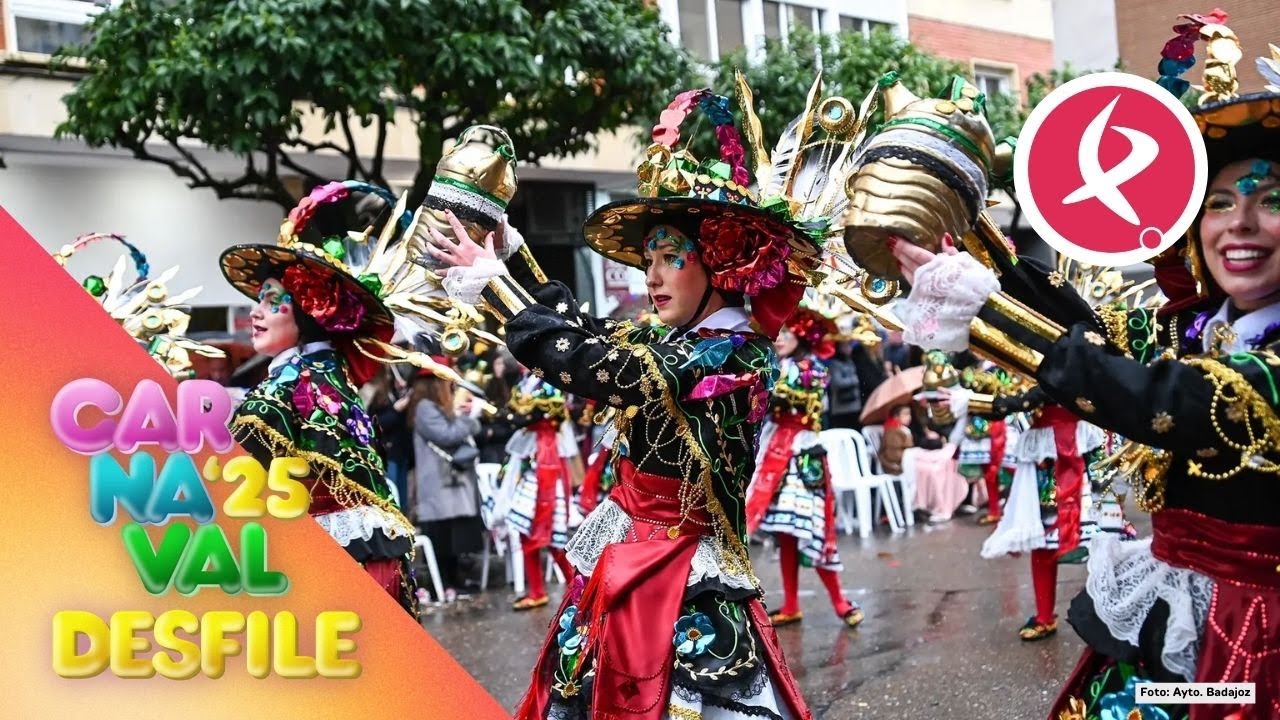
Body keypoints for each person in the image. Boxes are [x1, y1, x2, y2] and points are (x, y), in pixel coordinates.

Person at [882, 20, 1280, 717]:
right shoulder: (1192, 328)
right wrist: (989, 257)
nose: (1238, 223)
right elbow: (1088, 334)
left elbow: (1172, 400)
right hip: (1175, 613)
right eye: (1219, 203)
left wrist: (985, 315)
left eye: (1271, 200)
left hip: (1253, 641)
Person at [426, 84, 837, 719]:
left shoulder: (731, 352)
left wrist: (495, 290)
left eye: (673, 257)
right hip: (630, 555)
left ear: (720, 268)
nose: (652, 275)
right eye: (650, 258)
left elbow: (598, 367)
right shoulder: (673, 338)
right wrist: (515, 258)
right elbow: (590, 331)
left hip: (684, 574)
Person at [745, 307, 864, 629]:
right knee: (786, 533)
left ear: (802, 334)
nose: (780, 339)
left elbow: (793, 397)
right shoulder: (775, 365)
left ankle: (839, 603)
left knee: (815, 529)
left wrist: (762, 388)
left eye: (786, 333)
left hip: (803, 454)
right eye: (777, 333)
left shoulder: (814, 369)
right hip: (775, 453)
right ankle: (792, 604)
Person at [494, 375, 582, 611]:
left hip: (547, 459)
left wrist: (511, 416)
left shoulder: (552, 380)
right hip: (531, 458)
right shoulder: (525, 381)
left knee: (551, 532)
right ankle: (538, 590)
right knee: (526, 529)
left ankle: (578, 587)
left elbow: (540, 415)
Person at [409, 367, 486, 601]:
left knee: (455, 540)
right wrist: (470, 419)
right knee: (442, 540)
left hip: (450, 486)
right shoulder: (424, 408)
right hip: (439, 486)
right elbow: (446, 435)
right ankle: (443, 584)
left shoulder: (435, 407)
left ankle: (455, 582)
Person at [878, 404, 914, 475]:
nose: (909, 417)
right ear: (896, 417)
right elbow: (893, 453)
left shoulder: (903, 429)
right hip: (895, 464)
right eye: (905, 414)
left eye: (909, 414)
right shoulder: (892, 431)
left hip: (905, 459)